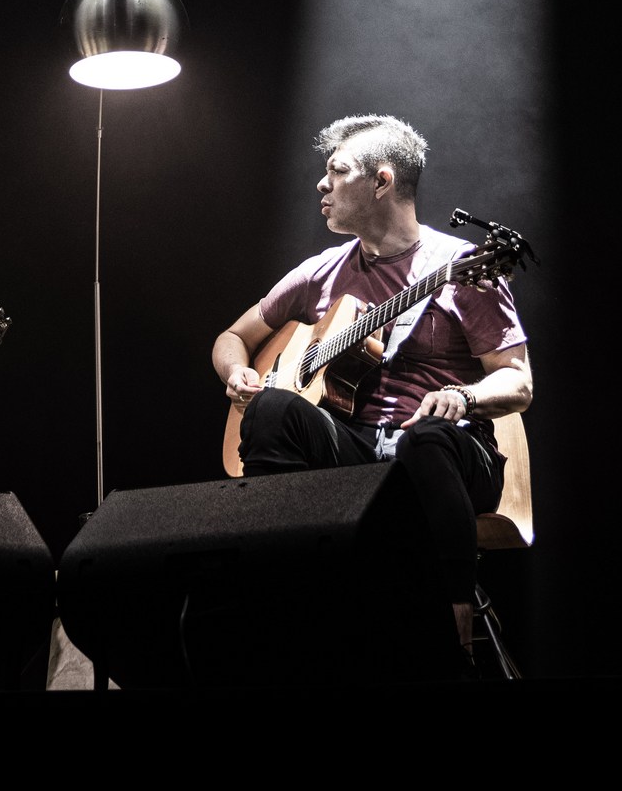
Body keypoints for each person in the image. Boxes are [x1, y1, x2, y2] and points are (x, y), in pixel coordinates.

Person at [210, 114, 531, 662]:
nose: (322, 184)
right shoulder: (321, 271)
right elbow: (232, 337)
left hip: (445, 453)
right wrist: (237, 373)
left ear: (381, 181)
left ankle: (454, 637)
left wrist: (464, 396)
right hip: (356, 451)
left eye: (337, 171)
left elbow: (518, 380)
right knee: (271, 409)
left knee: (425, 440)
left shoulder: (461, 267)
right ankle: (275, 606)